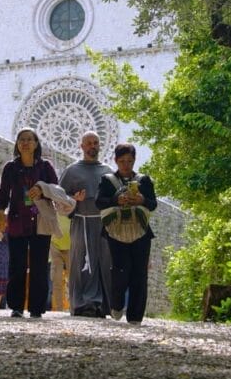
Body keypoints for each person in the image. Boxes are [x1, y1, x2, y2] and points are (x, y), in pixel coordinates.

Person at [0, 128, 59, 318]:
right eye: (21, 139)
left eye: (29, 139)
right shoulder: (11, 167)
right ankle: (16, 306)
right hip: (17, 221)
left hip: (40, 221)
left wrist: (42, 190)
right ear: (16, 143)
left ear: (36, 144)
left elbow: (56, 189)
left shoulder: (45, 167)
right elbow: (3, 192)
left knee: (40, 266)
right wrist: (0, 213)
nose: (25, 143)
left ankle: (37, 308)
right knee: (17, 265)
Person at [96, 143, 157, 325]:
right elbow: (100, 202)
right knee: (120, 270)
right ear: (115, 161)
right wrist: (116, 199)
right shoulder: (107, 180)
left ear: (134, 160)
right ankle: (116, 304)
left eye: (129, 161)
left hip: (140, 231)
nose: (126, 165)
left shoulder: (144, 180)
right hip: (115, 231)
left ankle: (136, 316)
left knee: (139, 272)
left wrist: (141, 200)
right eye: (122, 161)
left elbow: (153, 204)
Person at [59, 131, 115, 318]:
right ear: (81, 147)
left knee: (102, 262)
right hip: (81, 221)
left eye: (96, 143)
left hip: (102, 223)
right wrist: (73, 199)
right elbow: (59, 198)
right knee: (80, 261)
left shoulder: (107, 171)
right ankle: (81, 303)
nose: (93, 146)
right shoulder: (72, 170)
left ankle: (98, 304)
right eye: (89, 143)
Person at [49, 212, 72, 312]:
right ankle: (58, 309)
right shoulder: (54, 205)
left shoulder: (71, 205)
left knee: (73, 280)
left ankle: (73, 307)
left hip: (71, 246)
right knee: (56, 278)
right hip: (55, 245)